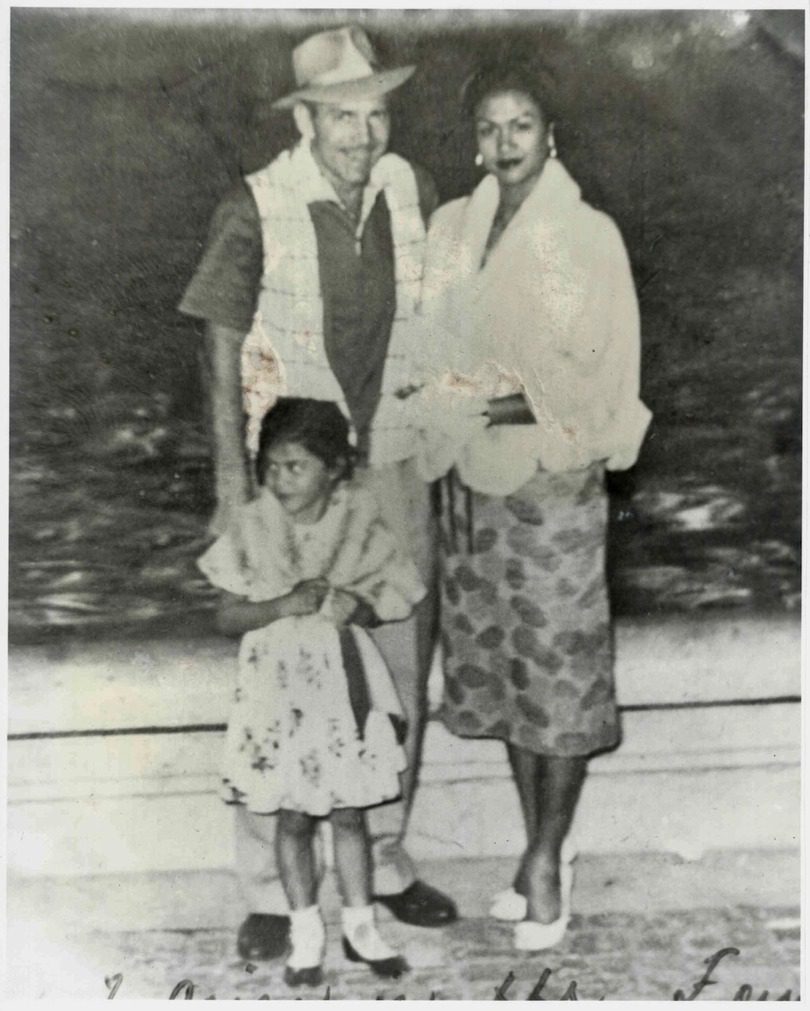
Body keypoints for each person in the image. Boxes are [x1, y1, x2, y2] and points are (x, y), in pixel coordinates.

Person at [179, 26, 456, 961]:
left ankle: (379, 859)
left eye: (377, 113)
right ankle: (268, 883)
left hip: (392, 460)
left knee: (394, 665)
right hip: (296, 479)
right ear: (306, 118)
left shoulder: (406, 186)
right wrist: (232, 483)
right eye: (344, 115)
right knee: (281, 673)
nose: (364, 133)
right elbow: (217, 340)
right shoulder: (255, 203)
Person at [416, 59, 652, 952]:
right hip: (470, 483)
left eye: (522, 125)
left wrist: (493, 397)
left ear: (552, 135)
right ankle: (534, 846)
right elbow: (431, 344)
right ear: (473, 139)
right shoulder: (451, 229)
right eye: (488, 127)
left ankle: (550, 858)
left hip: (551, 481)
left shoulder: (587, 235)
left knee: (558, 677)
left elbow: (601, 378)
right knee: (511, 680)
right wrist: (449, 399)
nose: (504, 144)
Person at [198, 399, 421, 986]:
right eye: (270, 467)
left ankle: (360, 925)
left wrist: (361, 607)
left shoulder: (359, 523)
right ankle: (304, 930)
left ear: (335, 469)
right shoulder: (252, 526)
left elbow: (394, 596)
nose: (279, 479)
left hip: (341, 692)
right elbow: (224, 617)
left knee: (350, 813)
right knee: (292, 818)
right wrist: (279, 605)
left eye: (295, 467)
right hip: (278, 695)